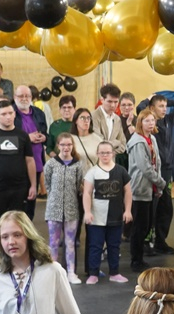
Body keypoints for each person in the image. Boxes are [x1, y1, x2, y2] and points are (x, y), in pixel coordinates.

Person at [137, 94, 174, 254]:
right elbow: (140, 108)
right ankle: (146, 241)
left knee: (166, 207)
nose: (164, 109)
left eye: (165, 106)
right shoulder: (150, 122)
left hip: (166, 170)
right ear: (152, 108)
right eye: (160, 106)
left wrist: (166, 100)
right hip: (152, 169)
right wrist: (149, 99)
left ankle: (161, 240)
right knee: (151, 207)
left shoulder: (169, 120)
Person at [0, 100, 37, 221]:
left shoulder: (23, 135)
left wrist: (33, 185)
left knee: (19, 223)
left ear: (15, 114)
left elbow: (30, 161)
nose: (8, 117)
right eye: (4, 114)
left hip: (19, 187)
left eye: (10, 113)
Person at [83, 141, 132, 284]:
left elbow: (128, 192)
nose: (105, 155)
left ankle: (114, 272)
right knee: (95, 245)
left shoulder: (121, 171)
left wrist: (128, 210)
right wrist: (87, 212)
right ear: (97, 154)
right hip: (97, 217)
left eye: (108, 152)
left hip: (116, 215)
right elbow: (87, 193)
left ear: (113, 154)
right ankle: (93, 273)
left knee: (114, 246)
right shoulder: (92, 172)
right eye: (102, 153)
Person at [127, 108, 167, 272]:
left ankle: (140, 257)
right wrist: (161, 182)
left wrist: (158, 185)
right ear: (140, 123)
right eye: (147, 121)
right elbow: (144, 167)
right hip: (140, 188)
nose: (151, 123)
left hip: (151, 186)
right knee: (139, 227)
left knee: (147, 224)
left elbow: (157, 163)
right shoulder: (138, 141)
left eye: (152, 120)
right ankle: (135, 259)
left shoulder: (152, 138)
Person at [43, 132, 83, 284]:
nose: (66, 147)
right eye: (63, 144)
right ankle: (53, 273)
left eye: (69, 144)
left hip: (72, 209)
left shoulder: (77, 165)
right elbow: (47, 184)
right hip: (54, 209)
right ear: (58, 146)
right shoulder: (51, 164)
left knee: (70, 243)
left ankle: (71, 272)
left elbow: (78, 185)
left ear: (72, 146)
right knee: (53, 242)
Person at [13, 86, 48, 196]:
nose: (24, 99)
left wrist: (44, 137)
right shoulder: (10, 113)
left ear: (31, 97)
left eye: (27, 96)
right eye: (21, 96)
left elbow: (45, 132)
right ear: (14, 97)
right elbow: (5, 138)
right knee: (18, 198)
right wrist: (27, 138)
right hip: (17, 164)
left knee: (32, 198)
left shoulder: (39, 113)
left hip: (36, 162)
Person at [92, 84, 127, 155]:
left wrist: (110, 153)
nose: (113, 105)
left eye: (116, 102)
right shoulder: (93, 116)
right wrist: (116, 142)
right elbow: (98, 142)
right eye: (109, 101)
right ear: (102, 100)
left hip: (112, 159)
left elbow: (123, 144)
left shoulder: (117, 119)